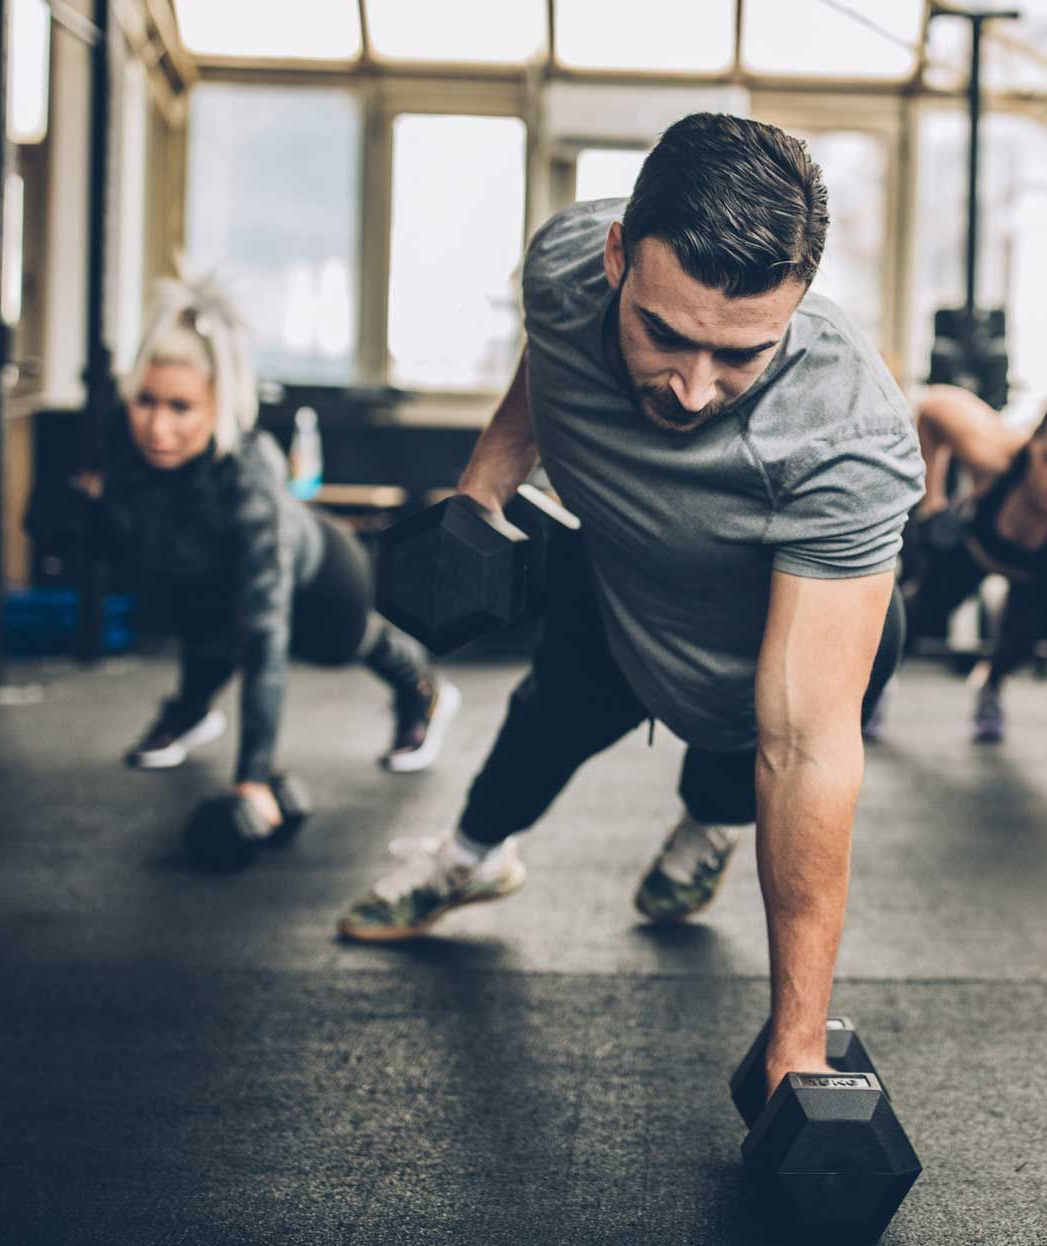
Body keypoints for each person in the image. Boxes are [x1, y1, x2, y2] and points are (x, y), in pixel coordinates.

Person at [335, 113, 923, 1095]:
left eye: (741, 356)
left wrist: (798, 1050)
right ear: (616, 259)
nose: (694, 390)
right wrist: (485, 485)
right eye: (665, 335)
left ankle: (709, 828)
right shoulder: (564, 261)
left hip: (769, 632)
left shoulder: (848, 438)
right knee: (548, 714)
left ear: (799, 302)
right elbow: (553, 359)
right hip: (619, 579)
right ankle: (472, 857)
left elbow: (808, 748)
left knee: (754, 749)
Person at [89, 277, 459, 831]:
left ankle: (423, 692)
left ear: (217, 405)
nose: (157, 426)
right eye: (147, 401)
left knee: (341, 641)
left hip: (326, 575)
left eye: (181, 407)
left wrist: (253, 780)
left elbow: (263, 642)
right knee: (203, 608)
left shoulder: (248, 481)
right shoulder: (133, 454)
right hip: (215, 576)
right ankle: (191, 711)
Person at [889, 370, 1047, 800]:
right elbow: (931, 409)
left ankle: (990, 685)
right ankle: (874, 693)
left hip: (1039, 580)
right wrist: (930, 505)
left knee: (1016, 649)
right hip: (973, 549)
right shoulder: (995, 450)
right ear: (1035, 438)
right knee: (909, 618)